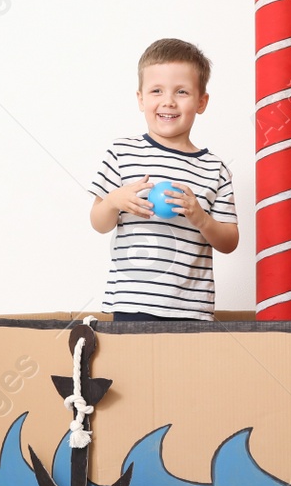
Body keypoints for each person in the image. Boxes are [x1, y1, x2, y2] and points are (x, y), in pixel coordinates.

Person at [88, 39, 239, 321]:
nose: (168, 101)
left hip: (191, 310)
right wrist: (112, 201)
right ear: (141, 98)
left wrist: (200, 218)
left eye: (182, 92)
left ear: (201, 102)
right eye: (157, 91)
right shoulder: (123, 153)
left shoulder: (215, 169)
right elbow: (98, 222)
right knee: (132, 367)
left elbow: (229, 242)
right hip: (133, 303)